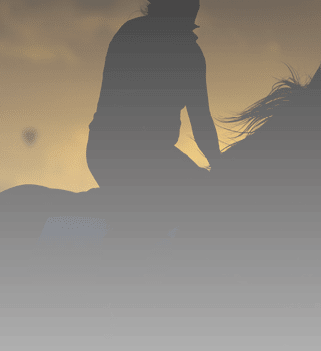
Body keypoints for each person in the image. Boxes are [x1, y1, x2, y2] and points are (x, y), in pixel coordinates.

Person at [86, 0, 220, 201]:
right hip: (123, 154)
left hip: (141, 154)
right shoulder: (139, 38)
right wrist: (219, 166)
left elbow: (201, 122)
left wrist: (219, 166)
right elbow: (201, 121)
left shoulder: (188, 53)